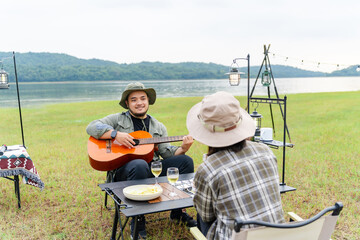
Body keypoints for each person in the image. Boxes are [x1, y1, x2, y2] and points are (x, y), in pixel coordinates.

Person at [86, 82, 197, 239]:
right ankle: (137, 219)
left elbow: (167, 154)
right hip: (124, 171)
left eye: (143, 98)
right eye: (134, 99)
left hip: (152, 169)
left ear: (148, 101)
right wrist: (115, 135)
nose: (139, 103)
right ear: (127, 103)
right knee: (139, 164)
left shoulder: (157, 126)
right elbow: (91, 126)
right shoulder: (117, 120)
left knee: (185, 161)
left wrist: (184, 147)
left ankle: (177, 213)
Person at [186, 91, 284, 240]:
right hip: (276, 234)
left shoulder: (208, 169)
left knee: (202, 213)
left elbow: (206, 215)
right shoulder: (266, 151)